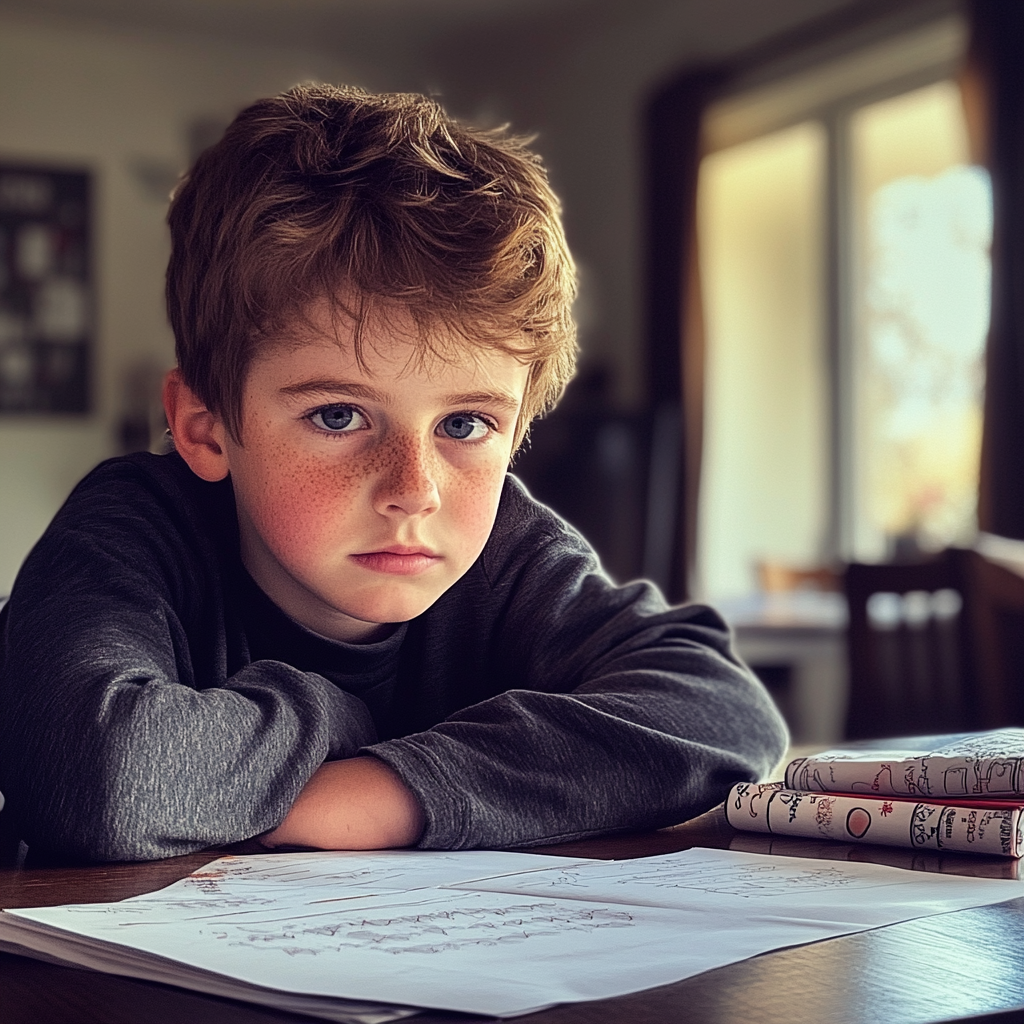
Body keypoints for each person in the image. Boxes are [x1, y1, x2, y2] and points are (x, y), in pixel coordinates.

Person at [0, 84, 787, 863]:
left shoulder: (506, 553)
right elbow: (108, 783)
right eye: (339, 415)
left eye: (466, 424)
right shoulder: (132, 528)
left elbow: (724, 711)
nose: (415, 488)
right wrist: (339, 716)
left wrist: (391, 789)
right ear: (205, 427)